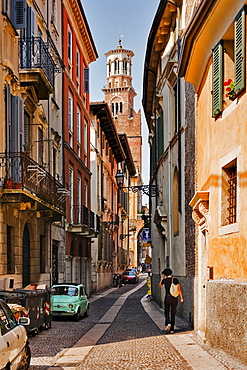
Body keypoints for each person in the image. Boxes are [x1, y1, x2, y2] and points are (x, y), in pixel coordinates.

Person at [159, 268, 183, 333]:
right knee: (173, 313)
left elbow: (160, 285)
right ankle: (172, 329)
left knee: (166, 311)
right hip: (174, 298)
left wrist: (162, 278)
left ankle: (168, 322)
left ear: (165, 274)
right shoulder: (175, 280)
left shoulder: (165, 280)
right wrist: (181, 298)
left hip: (168, 298)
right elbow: (179, 289)